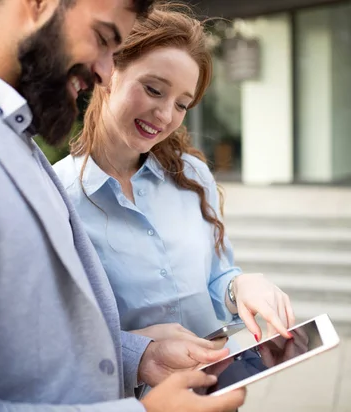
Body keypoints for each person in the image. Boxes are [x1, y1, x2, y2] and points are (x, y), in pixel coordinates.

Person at [0, 1, 246, 411]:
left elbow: (31, 339)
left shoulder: (20, 146)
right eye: (103, 39)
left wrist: (140, 357)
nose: (104, 71)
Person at [53, 2, 296, 353]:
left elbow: (216, 275)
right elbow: (61, 337)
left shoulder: (191, 175)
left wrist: (240, 287)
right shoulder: (58, 196)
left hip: (213, 388)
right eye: (153, 89)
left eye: (182, 104)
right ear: (109, 72)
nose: (165, 115)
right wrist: (140, 349)